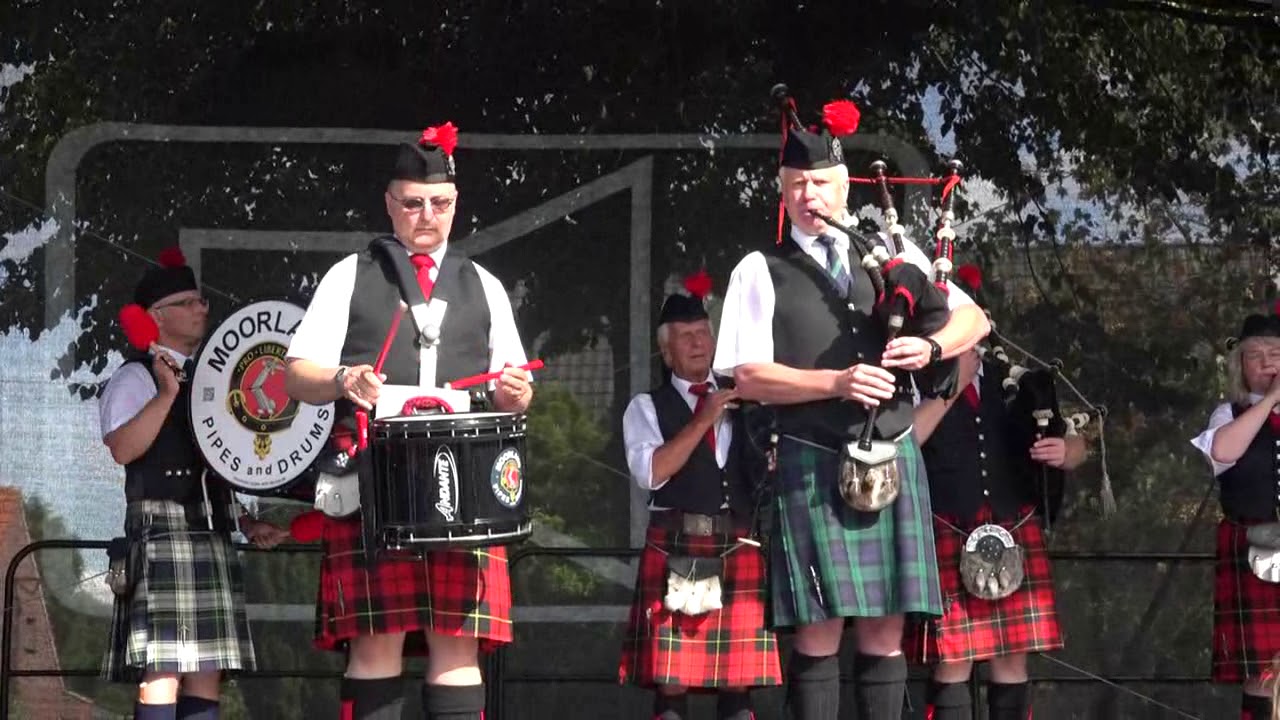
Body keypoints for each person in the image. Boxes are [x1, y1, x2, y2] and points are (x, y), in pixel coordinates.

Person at [712, 96, 990, 720]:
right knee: (817, 630)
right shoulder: (760, 269)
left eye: (821, 183)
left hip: (891, 459)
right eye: (797, 186)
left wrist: (931, 344)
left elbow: (975, 318)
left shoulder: (893, 254)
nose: (810, 196)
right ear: (782, 195)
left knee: (886, 634)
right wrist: (834, 383)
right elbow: (746, 377)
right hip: (811, 458)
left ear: (845, 187)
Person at [284, 121, 533, 720]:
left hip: (464, 480)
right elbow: (294, 375)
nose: (428, 215)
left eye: (440, 203)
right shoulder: (350, 275)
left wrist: (516, 393)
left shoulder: (486, 286)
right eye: (414, 203)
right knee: (376, 642)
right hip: (376, 471)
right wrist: (343, 379)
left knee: (458, 643)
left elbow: (516, 393)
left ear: (456, 205)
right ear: (390, 205)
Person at [100, 248, 289, 720]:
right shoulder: (133, 378)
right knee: (164, 667)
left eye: (201, 300)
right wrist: (166, 394)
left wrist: (244, 518)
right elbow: (124, 448)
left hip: (211, 527)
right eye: (186, 302)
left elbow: (216, 462)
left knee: (208, 669)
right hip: (163, 530)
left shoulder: (214, 380)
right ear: (154, 319)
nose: (201, 308)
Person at [907, 272, 1086, 720]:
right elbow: (903, 446)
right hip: (947, 526)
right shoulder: (915, 382)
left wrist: (1066, 452)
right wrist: (950, 387)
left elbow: (1078, 444)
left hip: (1013, 527)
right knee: (952, 657)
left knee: (1012, 656)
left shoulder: (1019, 383)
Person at [619, 287, 782, 720]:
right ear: (666, 351)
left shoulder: (746, 401)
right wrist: (703, 418)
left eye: (703, 334)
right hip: (677, 547)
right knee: (673, 679)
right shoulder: (646, 407)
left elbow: (763, 472)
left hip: (738, 546)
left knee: (737, 680)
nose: (697, 343)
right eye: (686, 336)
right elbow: (652, 472)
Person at [1191, 309, 1280, 720]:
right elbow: (1223, 453)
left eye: (1276, 354)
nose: (1267, 363)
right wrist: (1271, 402)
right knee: (1264, 673)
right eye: (1256, 355)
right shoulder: (1229, 414)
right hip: (1255, 551)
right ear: (1241, 366)